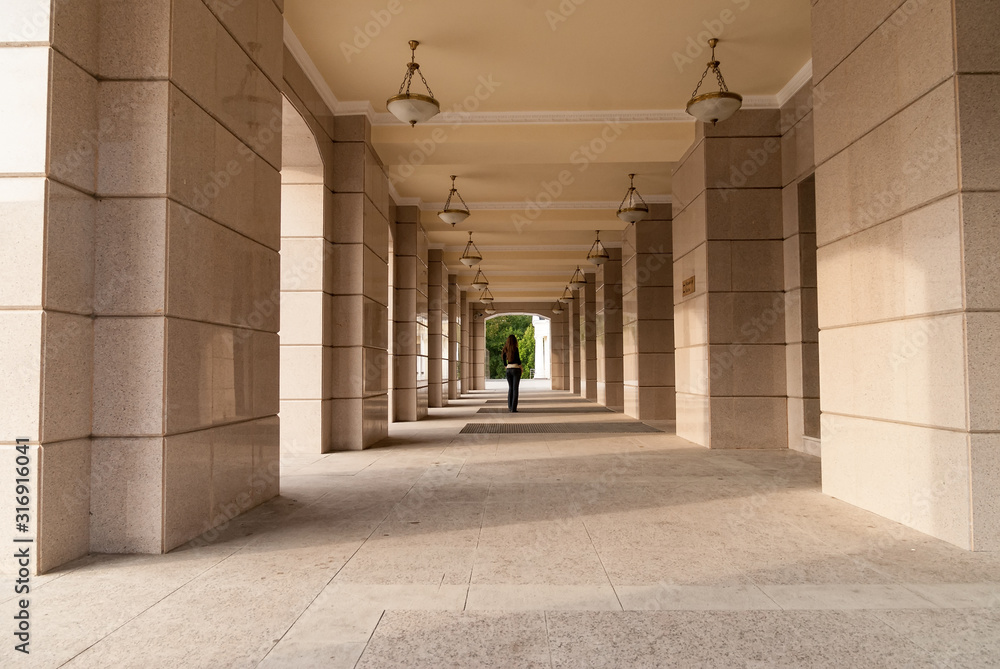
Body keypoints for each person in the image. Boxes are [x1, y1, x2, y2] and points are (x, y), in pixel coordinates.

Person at [501, 334, 522, 413]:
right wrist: (521, 367)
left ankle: (509, 407)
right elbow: (518, 360)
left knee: (510, 388)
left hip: (508, 369)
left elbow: (503, 358)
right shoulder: (515, 349)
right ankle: (513, 408)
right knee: (515, 389)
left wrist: (506, 365)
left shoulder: (505, 349)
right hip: (516, 369)